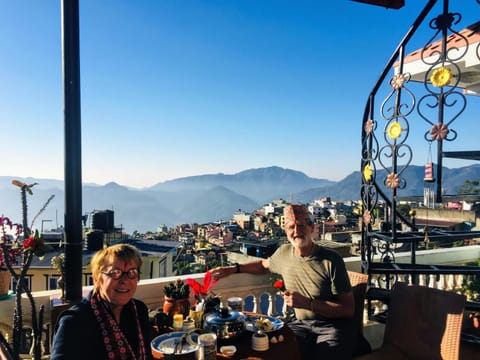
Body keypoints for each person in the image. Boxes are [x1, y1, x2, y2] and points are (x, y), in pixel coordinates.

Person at [211, 204, 355, 359]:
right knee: (273, 350)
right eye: (291, 227)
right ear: (286, 232)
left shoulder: (331, 260)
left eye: (301, 225)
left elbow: (347, 309)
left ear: (312, 227)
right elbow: (262, 265)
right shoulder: (284, 253)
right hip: (301, 325)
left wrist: (307, 303)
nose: (296, 231)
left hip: (332, 327)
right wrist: (233, 269)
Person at [50, 243, 153, 360]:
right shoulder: (74, 322)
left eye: (132, 273)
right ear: (97, 278)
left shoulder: (139, 311)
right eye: (115, 273)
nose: (125, 280)